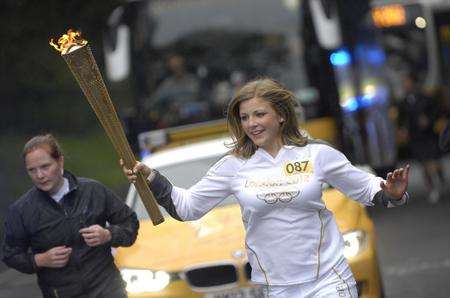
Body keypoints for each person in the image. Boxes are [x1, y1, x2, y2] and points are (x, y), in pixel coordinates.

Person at [122, 78, 410, 297]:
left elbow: (365, 188)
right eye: (245, 118)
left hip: (329, 280)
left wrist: (392, 192)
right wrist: (153, 179)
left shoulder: (316, 154)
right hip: (276, 287)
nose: (251, 124)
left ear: (281, 116)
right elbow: (187, 207)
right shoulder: (233, 166)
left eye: (259, 114)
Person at [2, 134, 139, 298]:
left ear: (60, 161)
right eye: (32, 170)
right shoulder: (21, 211)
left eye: (45, 166)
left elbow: (130, 223)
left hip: (108, 289)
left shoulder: (93, 191)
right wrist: (39, 260)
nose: (39, 175)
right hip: (61, 293)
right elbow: (10, 255)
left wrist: (108, 234)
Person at [397, 74, 445, 203]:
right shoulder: (403, 102)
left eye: (407, 82)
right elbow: (401, 119)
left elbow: (438, 112)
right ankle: (432, 189)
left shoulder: (426, 98)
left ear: (413, 83)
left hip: (428, 135)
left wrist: (428, 120)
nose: (406, 85)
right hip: (415, 137)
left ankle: (441, 178)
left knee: (434, 163)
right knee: (424, 164)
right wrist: (402, 129)